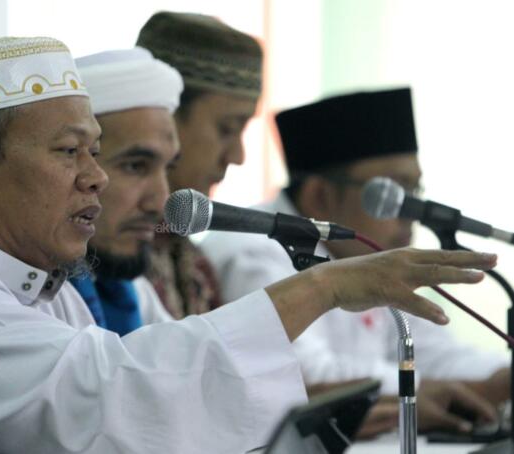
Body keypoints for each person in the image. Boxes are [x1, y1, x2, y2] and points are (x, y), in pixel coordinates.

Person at [0, 38, 495, 453]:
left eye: (96, 152)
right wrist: (321, 285)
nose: (92, 175)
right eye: (70, 153)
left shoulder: (34, 278)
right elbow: (111, 401)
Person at [202, 87, 510, 437]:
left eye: (414, 192)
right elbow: (301, 373)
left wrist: (504, 374)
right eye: (391, 194)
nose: (410, 214)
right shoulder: (253, 248)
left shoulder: (362, 254)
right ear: (321, 196)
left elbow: (435, 351)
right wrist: (422, 390)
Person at [136, 11, 262, 318]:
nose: (237, 156)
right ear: (167, 116)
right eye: (227, 129)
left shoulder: (193, 263)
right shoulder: (103, 257)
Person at [69, 48, 180, 335]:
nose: (159, 203)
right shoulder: (25, 293)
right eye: (135, 167)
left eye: (167, 168)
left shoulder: (132, 291)